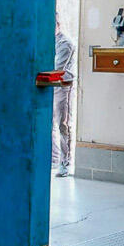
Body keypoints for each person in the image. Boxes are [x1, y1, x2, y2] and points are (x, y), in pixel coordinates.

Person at [53, 24, 76, 176]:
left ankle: (65, 162)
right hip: (47, 84)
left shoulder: (65, 44)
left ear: (57, 25)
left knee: (63, 124)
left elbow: (57, 68)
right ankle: (54, 159)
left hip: (62, 86)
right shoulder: (47, 41)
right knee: (49, 123)